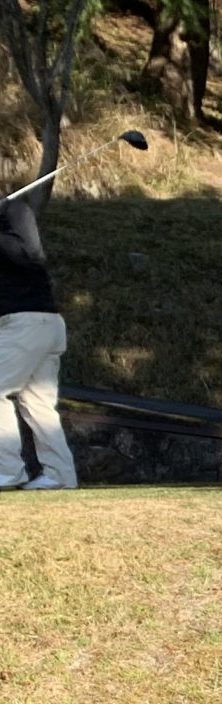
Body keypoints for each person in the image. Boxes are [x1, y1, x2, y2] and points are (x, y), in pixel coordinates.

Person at [0, 197, 77, 490]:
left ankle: (8, 471)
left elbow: (31, 253)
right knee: (37, 403)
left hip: (26, 322)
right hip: (37, 324)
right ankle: (60, 476)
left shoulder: (13, 210)